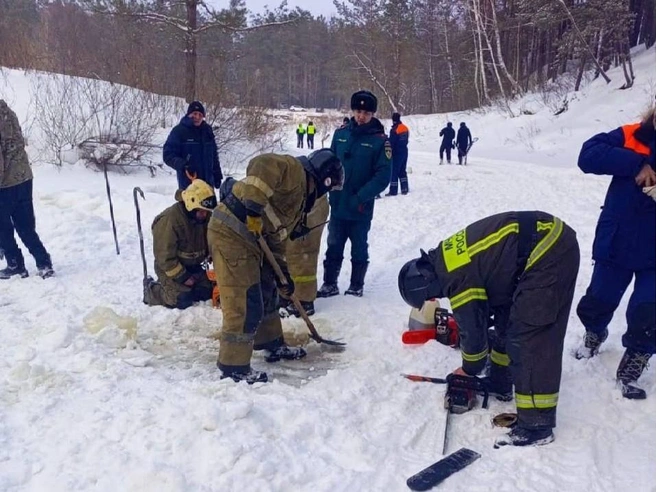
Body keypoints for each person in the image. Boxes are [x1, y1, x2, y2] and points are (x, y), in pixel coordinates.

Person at [398, 211, 580, 447]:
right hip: (537, 247)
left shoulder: (455, 277)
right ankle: (501, 380)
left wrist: (468, 369)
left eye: (430, 295)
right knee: (507, 323)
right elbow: (490, 306)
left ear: (426, 284)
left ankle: (537, 425)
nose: (437, 298)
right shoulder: (446, 258)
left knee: (530, 336)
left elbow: (473, 335)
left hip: (548, 251)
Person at [208, 149, 344, 384]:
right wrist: (253, 208)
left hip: (254, 240)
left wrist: (284, 277)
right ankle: (233, 367)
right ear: (325, 180)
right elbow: (262, 163)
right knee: (245, 301)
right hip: (231, 233)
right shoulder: (295, 172)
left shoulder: (299, 202)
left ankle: (271, 344)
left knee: (268, 290)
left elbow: (277, 241)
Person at [574, 104, 656, 400]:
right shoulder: (631, 134)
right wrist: (637, 164)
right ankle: (594, 332)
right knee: (598, 299)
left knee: (649, 310)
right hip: (618, 240)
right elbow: (587, 155)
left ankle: (636, 358)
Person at [317, 90, 392, 298]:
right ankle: (329, 283)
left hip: (360, 206)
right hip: (338, 203)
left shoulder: (380, 141)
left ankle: (356, 284)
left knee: (359, 246)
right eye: (358, 111)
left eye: (366, 113)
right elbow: (329, 163)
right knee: (333, 244)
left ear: (372, 115)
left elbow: (383, 176)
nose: (361, 116)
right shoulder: (341, 135)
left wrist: (361, 197)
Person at [0, 99, 54, 279]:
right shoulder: (7, 112)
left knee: (2, 227)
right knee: (25, 226)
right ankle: (43, 262)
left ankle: (15, 264)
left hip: (6, 182)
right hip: (24, 177)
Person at [143, 179, 216, 309]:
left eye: (207, 211)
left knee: (205, 292)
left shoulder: (204, 216)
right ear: (190, 205)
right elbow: (164, 259)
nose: (205, 215)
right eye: (201, 211)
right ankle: (152, 290)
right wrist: (183, 277)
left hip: (194, 265)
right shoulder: (169, 221)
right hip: (171, 268)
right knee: (181, 300)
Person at [280, 194, 329, 317]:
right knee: (289, 252)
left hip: (311, 205)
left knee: (304, 252)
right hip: (296, 205)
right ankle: (289, 295)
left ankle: (305, 300)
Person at [163, 101, 222, 191]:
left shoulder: (207, 131)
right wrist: (184, 165)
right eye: (194, 114)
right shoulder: (179, 131)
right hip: (189, 185)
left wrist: (217, 174)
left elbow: (214, 155)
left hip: (208, 184)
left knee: (210, 205)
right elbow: (168, 155)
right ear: (189, 114)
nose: (197, 117)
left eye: (200, 115)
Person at [386, 112, 409, 196]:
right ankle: (405, 188)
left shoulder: (394, 129)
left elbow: (392, 142)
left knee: (394, 171)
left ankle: (393, 190)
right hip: (404, 151)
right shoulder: (405, 128)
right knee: (402, 170)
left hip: (396, 152)